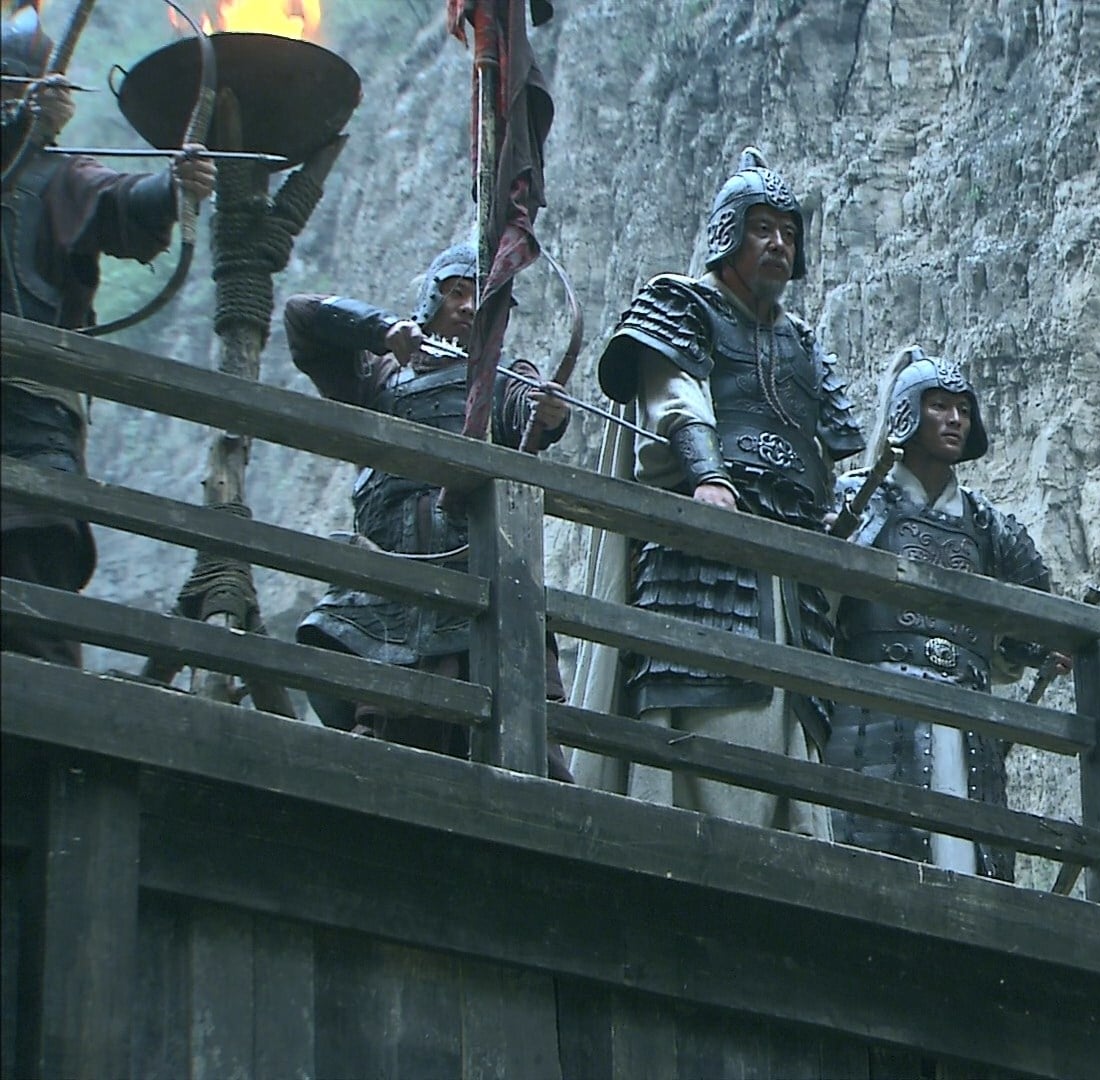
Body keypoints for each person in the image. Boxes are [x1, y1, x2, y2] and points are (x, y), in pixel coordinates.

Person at [578, 147, 864, 829]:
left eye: (788, 232)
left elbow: (821, 450)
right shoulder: (682, 304)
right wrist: (708, 476)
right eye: (762, 228)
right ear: (729, 233)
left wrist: (833, 510)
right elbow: (675, 396)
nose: (778, 244)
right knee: (700, 688)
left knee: (790, 711)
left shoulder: (804, 344)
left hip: (790, 573)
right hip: (701, 556)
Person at [284, 241, 574, 780]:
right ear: (429, 299)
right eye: (456, 293)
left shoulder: (504, 376)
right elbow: (301, 315)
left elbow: (527, 414)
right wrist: (381, 330)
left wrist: (548, 413)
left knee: (514, 723)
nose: (468, 307)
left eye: (481, 299)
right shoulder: (377, 375)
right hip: (393, 569)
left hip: (474, 564)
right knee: (385, 720)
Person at [0, 6, 215, 665]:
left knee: (36, 623)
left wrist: (173, 185)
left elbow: (120, 202)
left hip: (29, 425)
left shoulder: (56, 177)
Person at [824, 347, 1060, 879]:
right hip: (872, 715)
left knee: (970, 870)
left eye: (964, 410)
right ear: (907, 413)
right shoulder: (856, 500)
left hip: (968, 718)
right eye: (938, 406)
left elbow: (1035, 619)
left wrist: (1043, 647)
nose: (955, 419)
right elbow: (815, 603)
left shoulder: (988, 526)